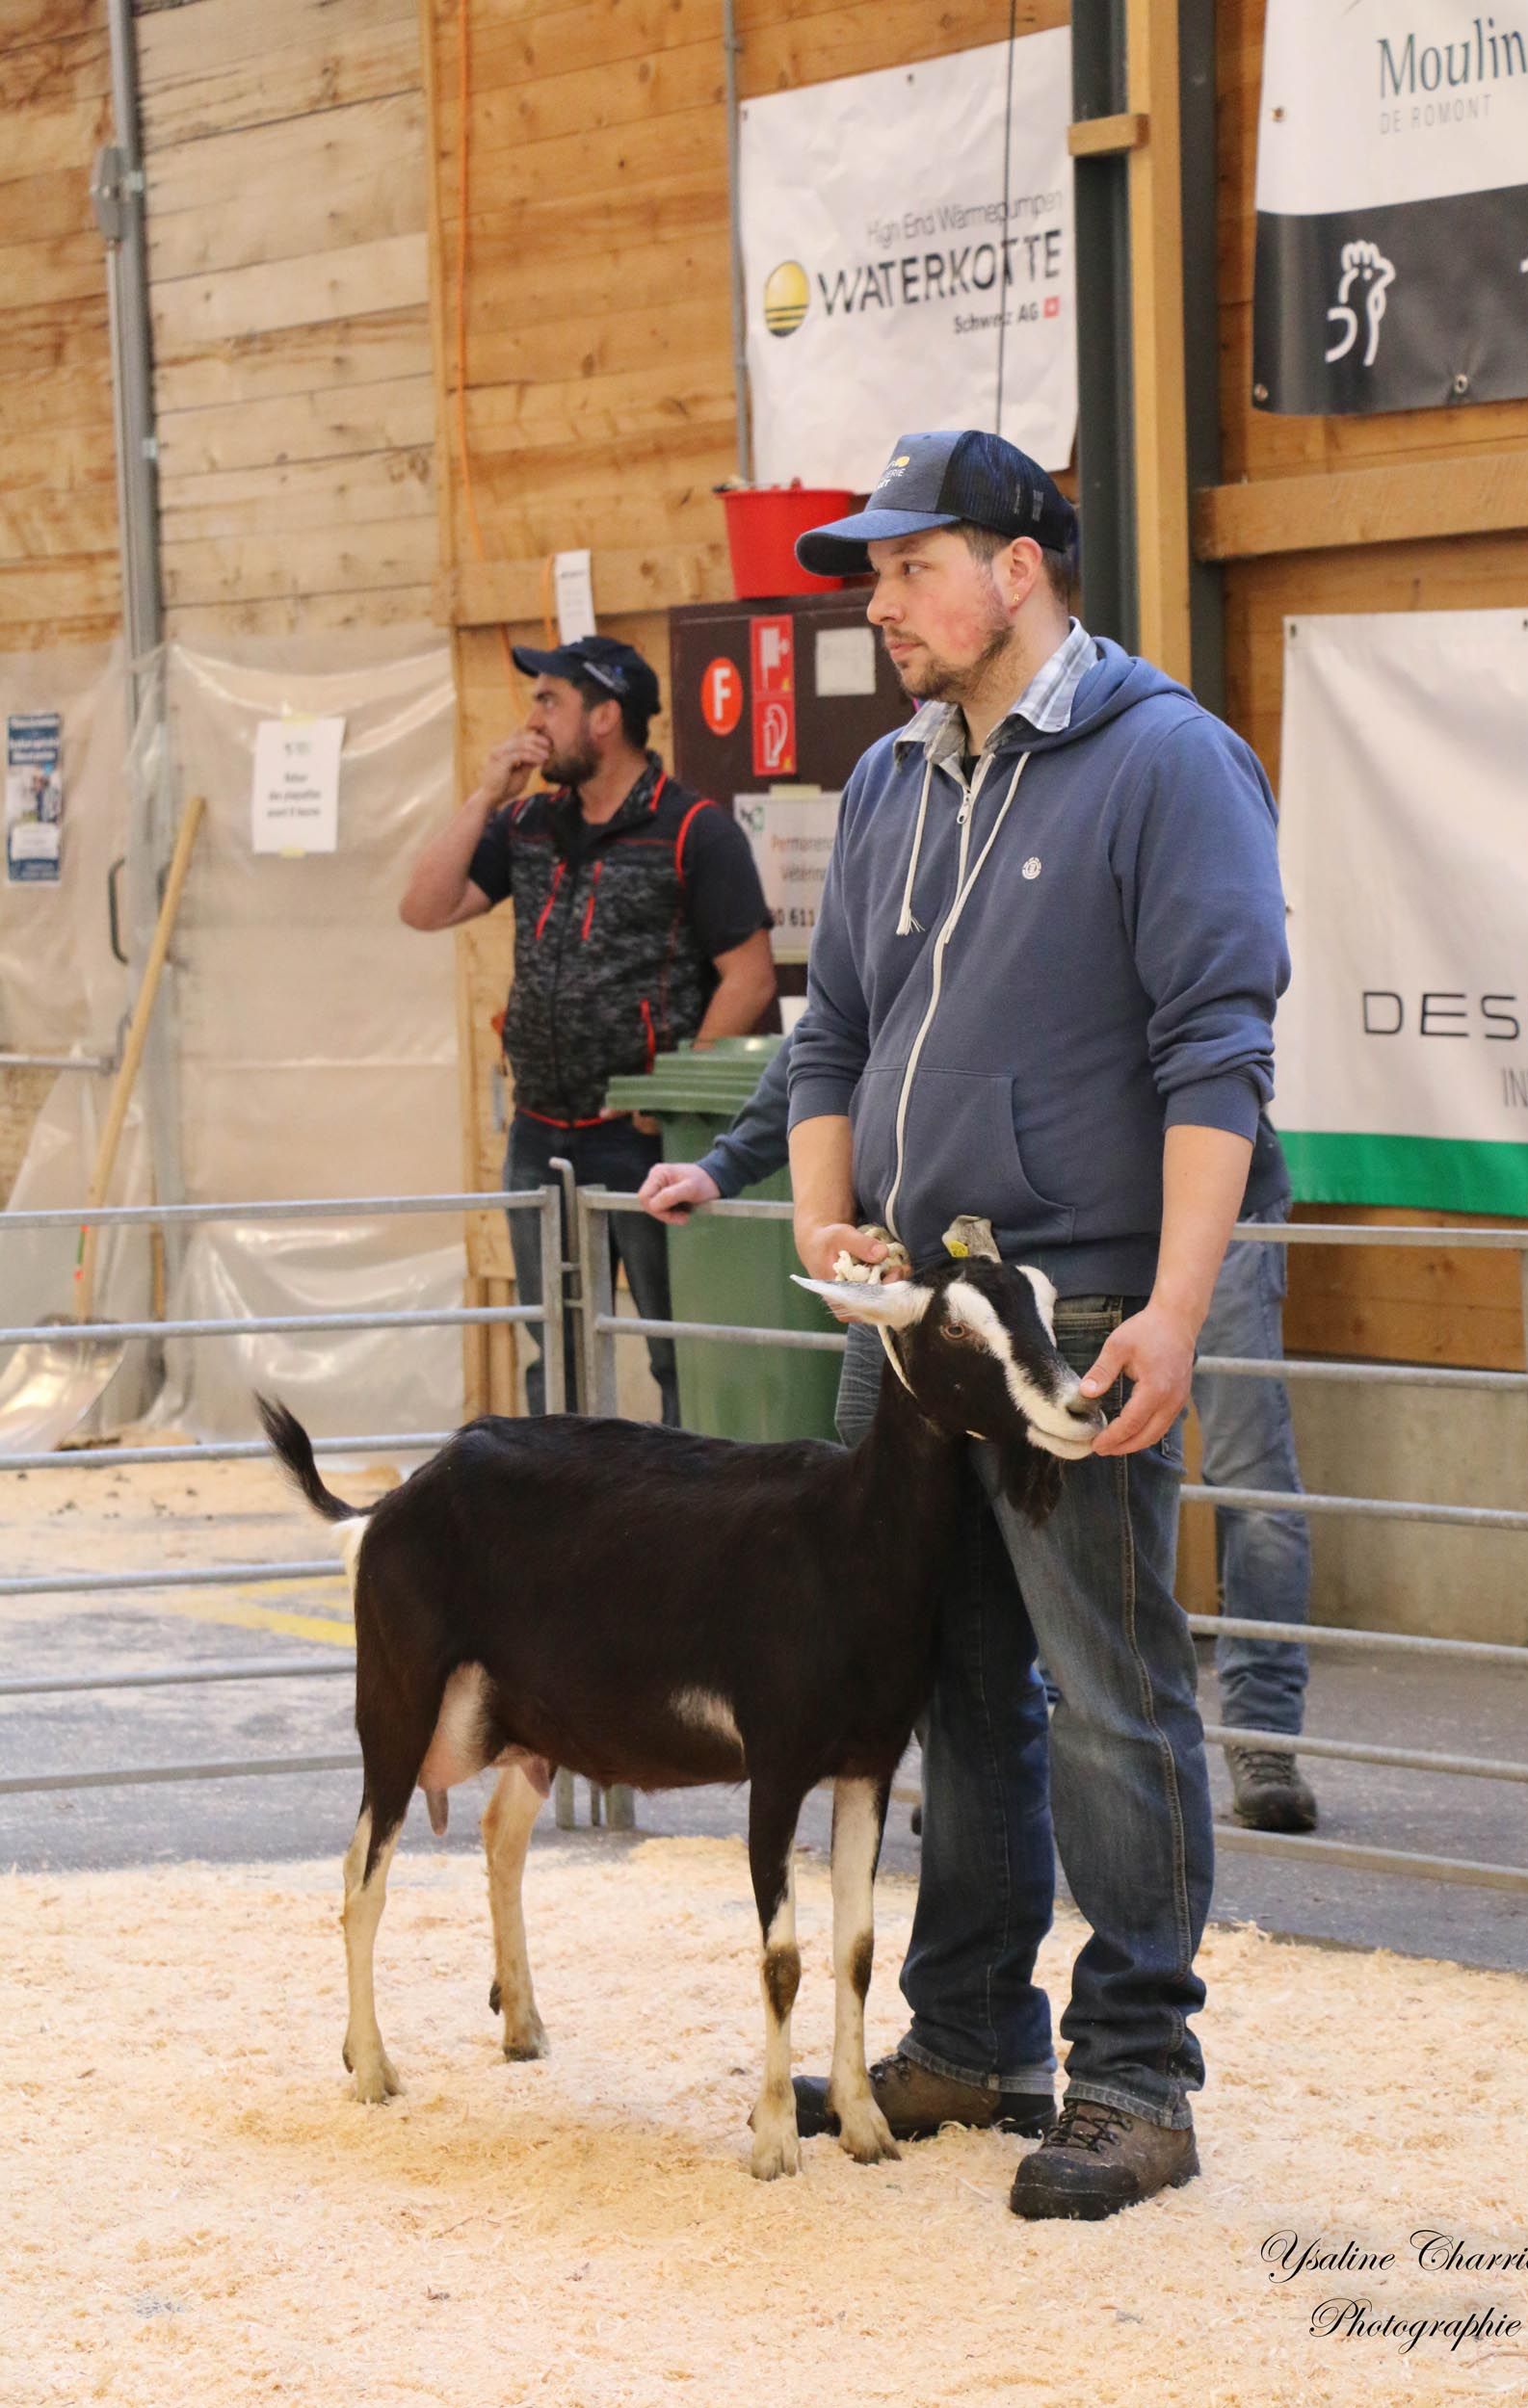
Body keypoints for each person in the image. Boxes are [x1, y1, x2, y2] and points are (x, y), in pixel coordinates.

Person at [777, 427, 1289, 2220]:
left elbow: (1215, 1053)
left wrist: (1172, 1307)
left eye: (909, 567)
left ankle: (1135, 2075)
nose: (879, 603)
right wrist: (825, 1224)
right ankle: (968, 2033)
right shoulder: (886, 782)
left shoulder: (1166, 760)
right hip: (908, 1311)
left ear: (1017, 568)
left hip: (1074, 1306)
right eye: (870, 573)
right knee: (940, 1674)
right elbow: (832, 1031)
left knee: (1107, 1694)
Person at [642, 1050, 1319, 1834]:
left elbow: (1212, 1048)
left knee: (1244, 1469)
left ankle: (1263, 1738)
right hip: (1005, 1236)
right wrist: (727, 1164)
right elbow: (839, 1033)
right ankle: (993, 1777)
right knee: (953, 1475)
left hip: (1184, 1212)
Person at [400, 633, 776, 1421]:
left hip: (639, 1144)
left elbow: (748, 976)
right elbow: (424, 909)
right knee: (557, 1348)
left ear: (605, 717)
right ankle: (558, 1496)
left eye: (549, 700)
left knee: (675, 1347)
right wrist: (483, 798)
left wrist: (673, 1095)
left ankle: (682, 1492)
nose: (532, 719)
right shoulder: (528, 823)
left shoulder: (692, 829)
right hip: (538, 1132)